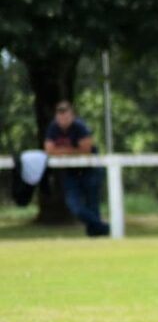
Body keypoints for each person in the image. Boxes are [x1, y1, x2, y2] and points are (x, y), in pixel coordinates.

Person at [44, 101, 110, 236]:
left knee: (93, 205)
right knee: (74, 206)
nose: (63, 120)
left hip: (90, 169)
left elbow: (86, 149)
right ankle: (104, 227)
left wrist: (61, 151)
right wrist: (74, 150)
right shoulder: (53, 128)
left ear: (72, 116)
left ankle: (96, 236)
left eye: (66, 116)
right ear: (56, 117)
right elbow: (49, 150)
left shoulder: (80, 127)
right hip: (71, 172)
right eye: (60, 116)